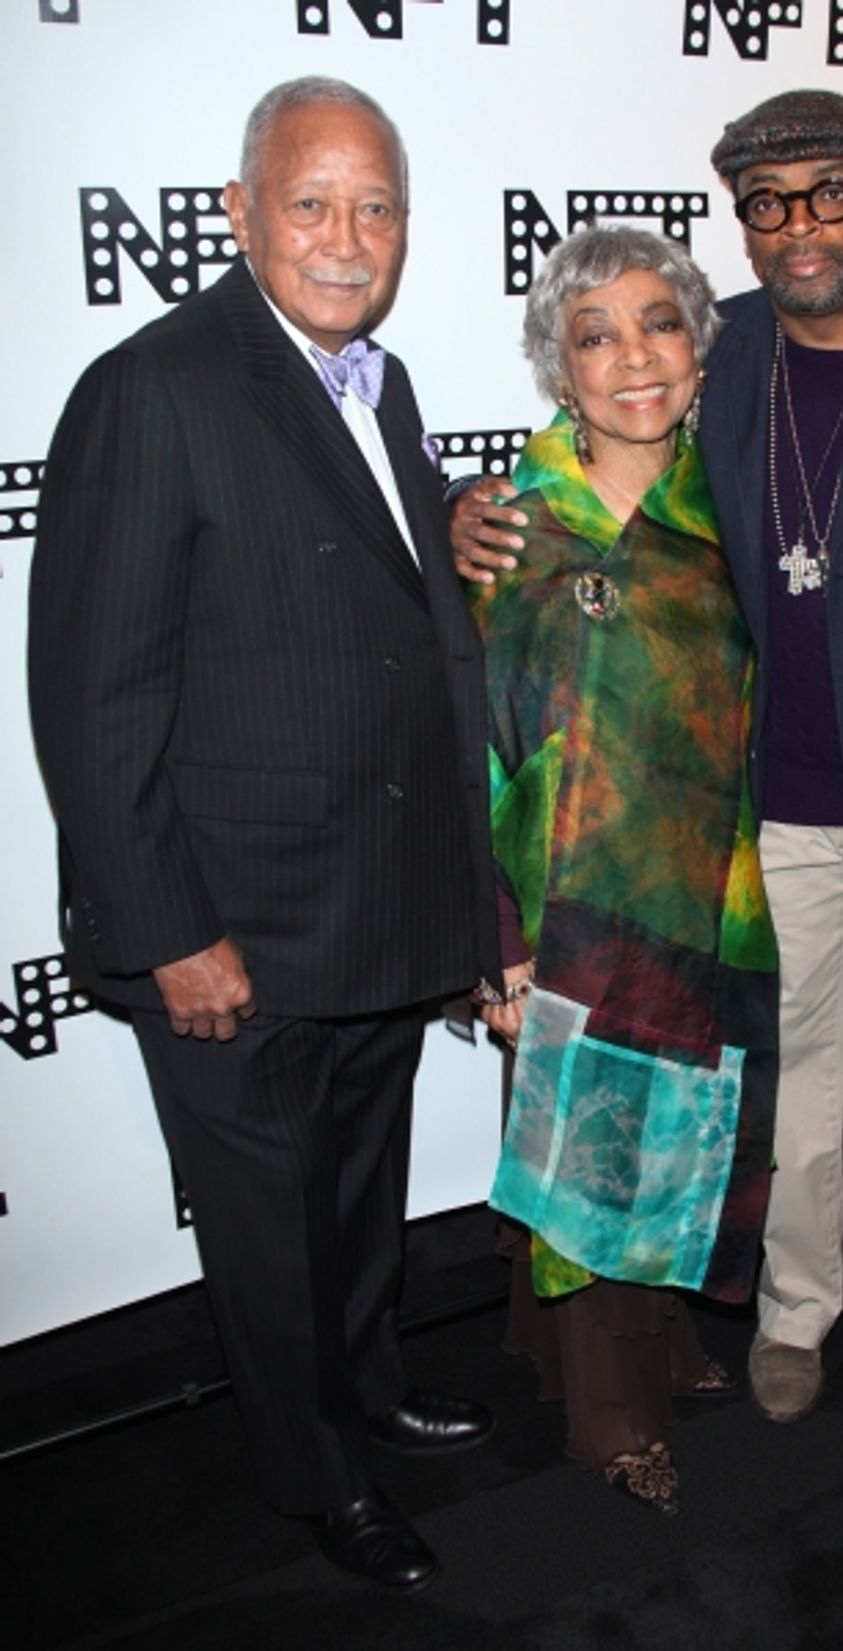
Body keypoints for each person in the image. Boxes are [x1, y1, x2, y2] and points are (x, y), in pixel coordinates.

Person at [451, 91, 843, 1449]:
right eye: (768, 200)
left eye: (830, 192)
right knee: (789, 1083)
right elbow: (599, 448)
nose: (800, 223)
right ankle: (795, 1307)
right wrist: (475, 511)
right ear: (740, 225)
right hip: (766, 815)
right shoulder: (719, 361)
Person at [28, 77, 500, 1589]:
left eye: (377, 208)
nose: (348, 238)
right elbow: (92, 695)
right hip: (228, 926)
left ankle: (364, 1392)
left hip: (367, 907)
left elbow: (361, 583)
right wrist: (168, 928)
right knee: (265, 1228)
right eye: (312, 203)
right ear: (239, 214)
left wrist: (460, 523)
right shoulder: (151, 387)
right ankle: (318, 1481)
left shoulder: (385, 381)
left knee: (358, 1193)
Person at [470, 226, 778, 1513]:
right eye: (596, 335)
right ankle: (606, 1415)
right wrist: (490, 932)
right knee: (583, 1153)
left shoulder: (741, 503)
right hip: (566, 911)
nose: (633, 357)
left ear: (700, 344)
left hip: (710, 893)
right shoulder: (509, 527)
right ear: (560, 367)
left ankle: (659, 1343)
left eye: (659, 323)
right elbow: (465, 746)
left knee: (687, 1137)